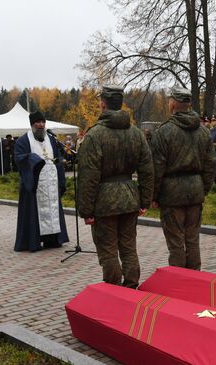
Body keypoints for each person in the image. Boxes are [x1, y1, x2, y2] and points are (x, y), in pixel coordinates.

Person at [77, 85, 154, 289]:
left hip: (104, 202)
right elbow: (147, 169)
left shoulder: (94, 136)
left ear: (103, 104)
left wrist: (86, 210)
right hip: (129, 197)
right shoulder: (136, 134)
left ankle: (114, 291)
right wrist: (144, 199)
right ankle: (131, 288)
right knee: (129, 247)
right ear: (121, 105)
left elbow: (88, 176)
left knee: (108, 250)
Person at [151, 88, 215, 269]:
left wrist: (153, 196)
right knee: (193, 239)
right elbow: (210, 165)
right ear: (189, 105)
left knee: (176, 241)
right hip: (195, 190)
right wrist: (204, 188)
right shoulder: (203, 131)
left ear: (172, 104)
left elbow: (157, 168)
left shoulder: (164, 132)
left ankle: (178, 281)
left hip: (172, 193)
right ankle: (195, 278)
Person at [14, 111, 69, 252]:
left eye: (43, 122)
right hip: (35, 185)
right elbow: (20, 159)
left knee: (52, 211)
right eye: (37, 122)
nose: (41, 125)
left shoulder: (51, 139)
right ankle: (33, 241)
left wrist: (61, 180)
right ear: (32, 124)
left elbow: (58, 159)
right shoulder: (23, 141)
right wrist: (34, 160)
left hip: (51, 184)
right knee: (35, 213)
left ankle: (53, 240)